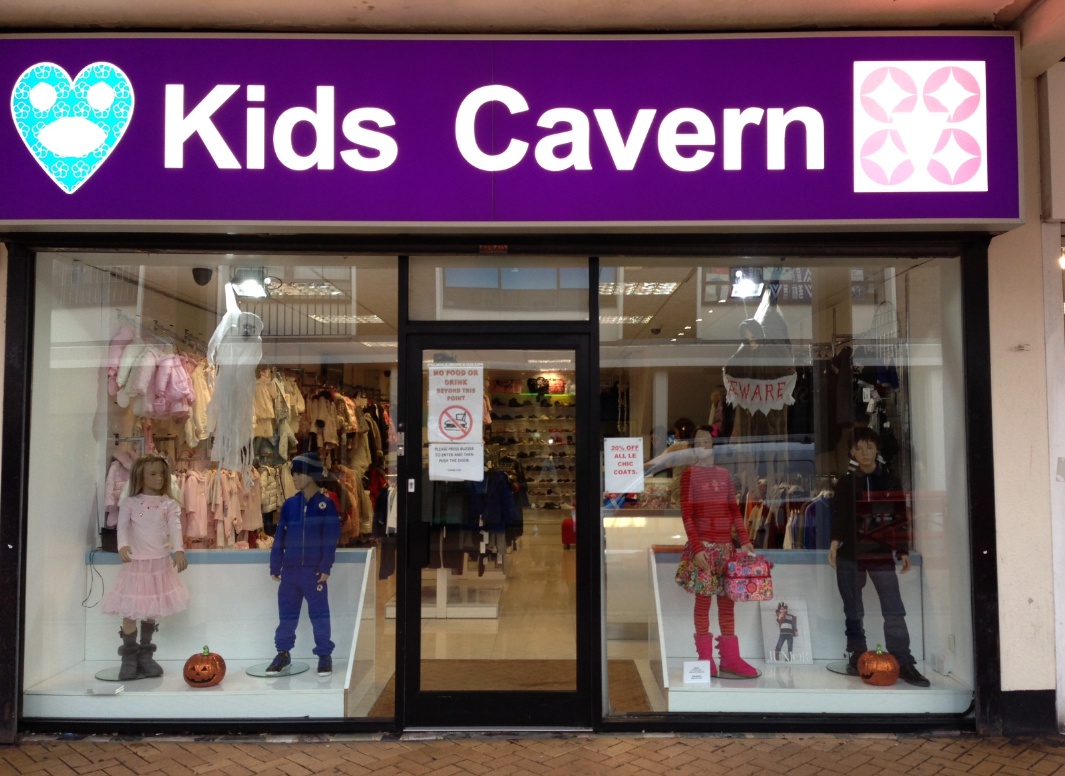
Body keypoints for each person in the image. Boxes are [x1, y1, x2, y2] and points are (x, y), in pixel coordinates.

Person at [828, 427, 930, 687]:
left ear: (877, 449)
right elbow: (840, 516)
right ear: (852, 452)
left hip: (880, 552)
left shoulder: (889, 480)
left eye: (869, 447)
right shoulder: (846, 483)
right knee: (853, 609)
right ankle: (857, 655)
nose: (864, 453)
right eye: (859, 448)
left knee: (893, 608)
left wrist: (902, 549)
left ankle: (903, 660)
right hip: (850, 552)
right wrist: (834, 543)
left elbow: (900, 516)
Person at [674, 426, 759, 678]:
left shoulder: (724, 475)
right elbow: (687, 514)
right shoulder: (689, 475)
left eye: (706, 441)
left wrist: (744, 540)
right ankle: (705, 660)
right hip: (704, 549)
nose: (702, 445)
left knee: (727, 602)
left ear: (713, 445)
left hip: (726, 549)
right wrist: (697, 547)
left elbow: (734, 510)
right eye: (697, 442)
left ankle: (730, 659)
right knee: (703, 603)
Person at [101, 453, 190, 681]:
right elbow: (122, 527)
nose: (159, 478)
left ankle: (146, 654)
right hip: (136, 565)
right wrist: (122, 545)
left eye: (162, 474)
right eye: (153, 474)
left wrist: (179, 550)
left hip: (159, 564)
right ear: (141, 476)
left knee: (151, 609)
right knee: (131, 610)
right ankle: (129, 656)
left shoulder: (169, 504)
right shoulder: (130, 503)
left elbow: (175, 527)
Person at [267, 452, 342, 677]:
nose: (295, 478)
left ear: (311, 475)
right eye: (294, 474)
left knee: (319, 614)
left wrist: (325, 567)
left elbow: (330, 538)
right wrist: (275, 564)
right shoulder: (290, 505)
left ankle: (324, 655)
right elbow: (280, 536)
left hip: (313, 572)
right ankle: (283, 653)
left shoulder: (326, 504)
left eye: (299, 473)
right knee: (287, 614)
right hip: (290, 572)